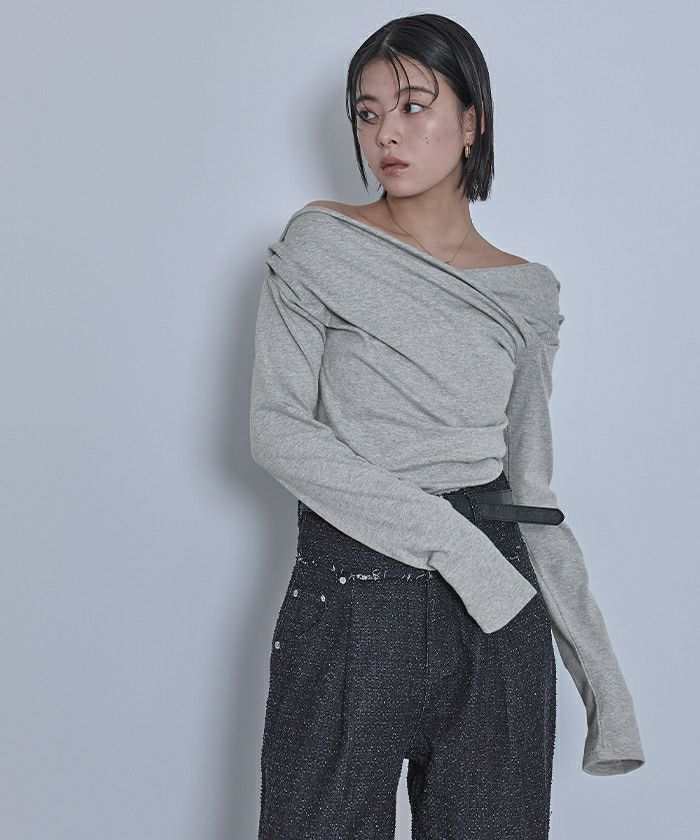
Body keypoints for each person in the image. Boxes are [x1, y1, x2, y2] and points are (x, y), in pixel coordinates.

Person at [250, 13, 645, 840]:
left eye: (413, 105)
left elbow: (530, 488)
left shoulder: (528, 291)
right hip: (354, 590)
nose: (386, 134)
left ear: (473, 122)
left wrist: (602, 680)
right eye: (367, 113)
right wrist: (455, 549)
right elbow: (279, 430)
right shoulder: (322, 243)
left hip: (498, 613)